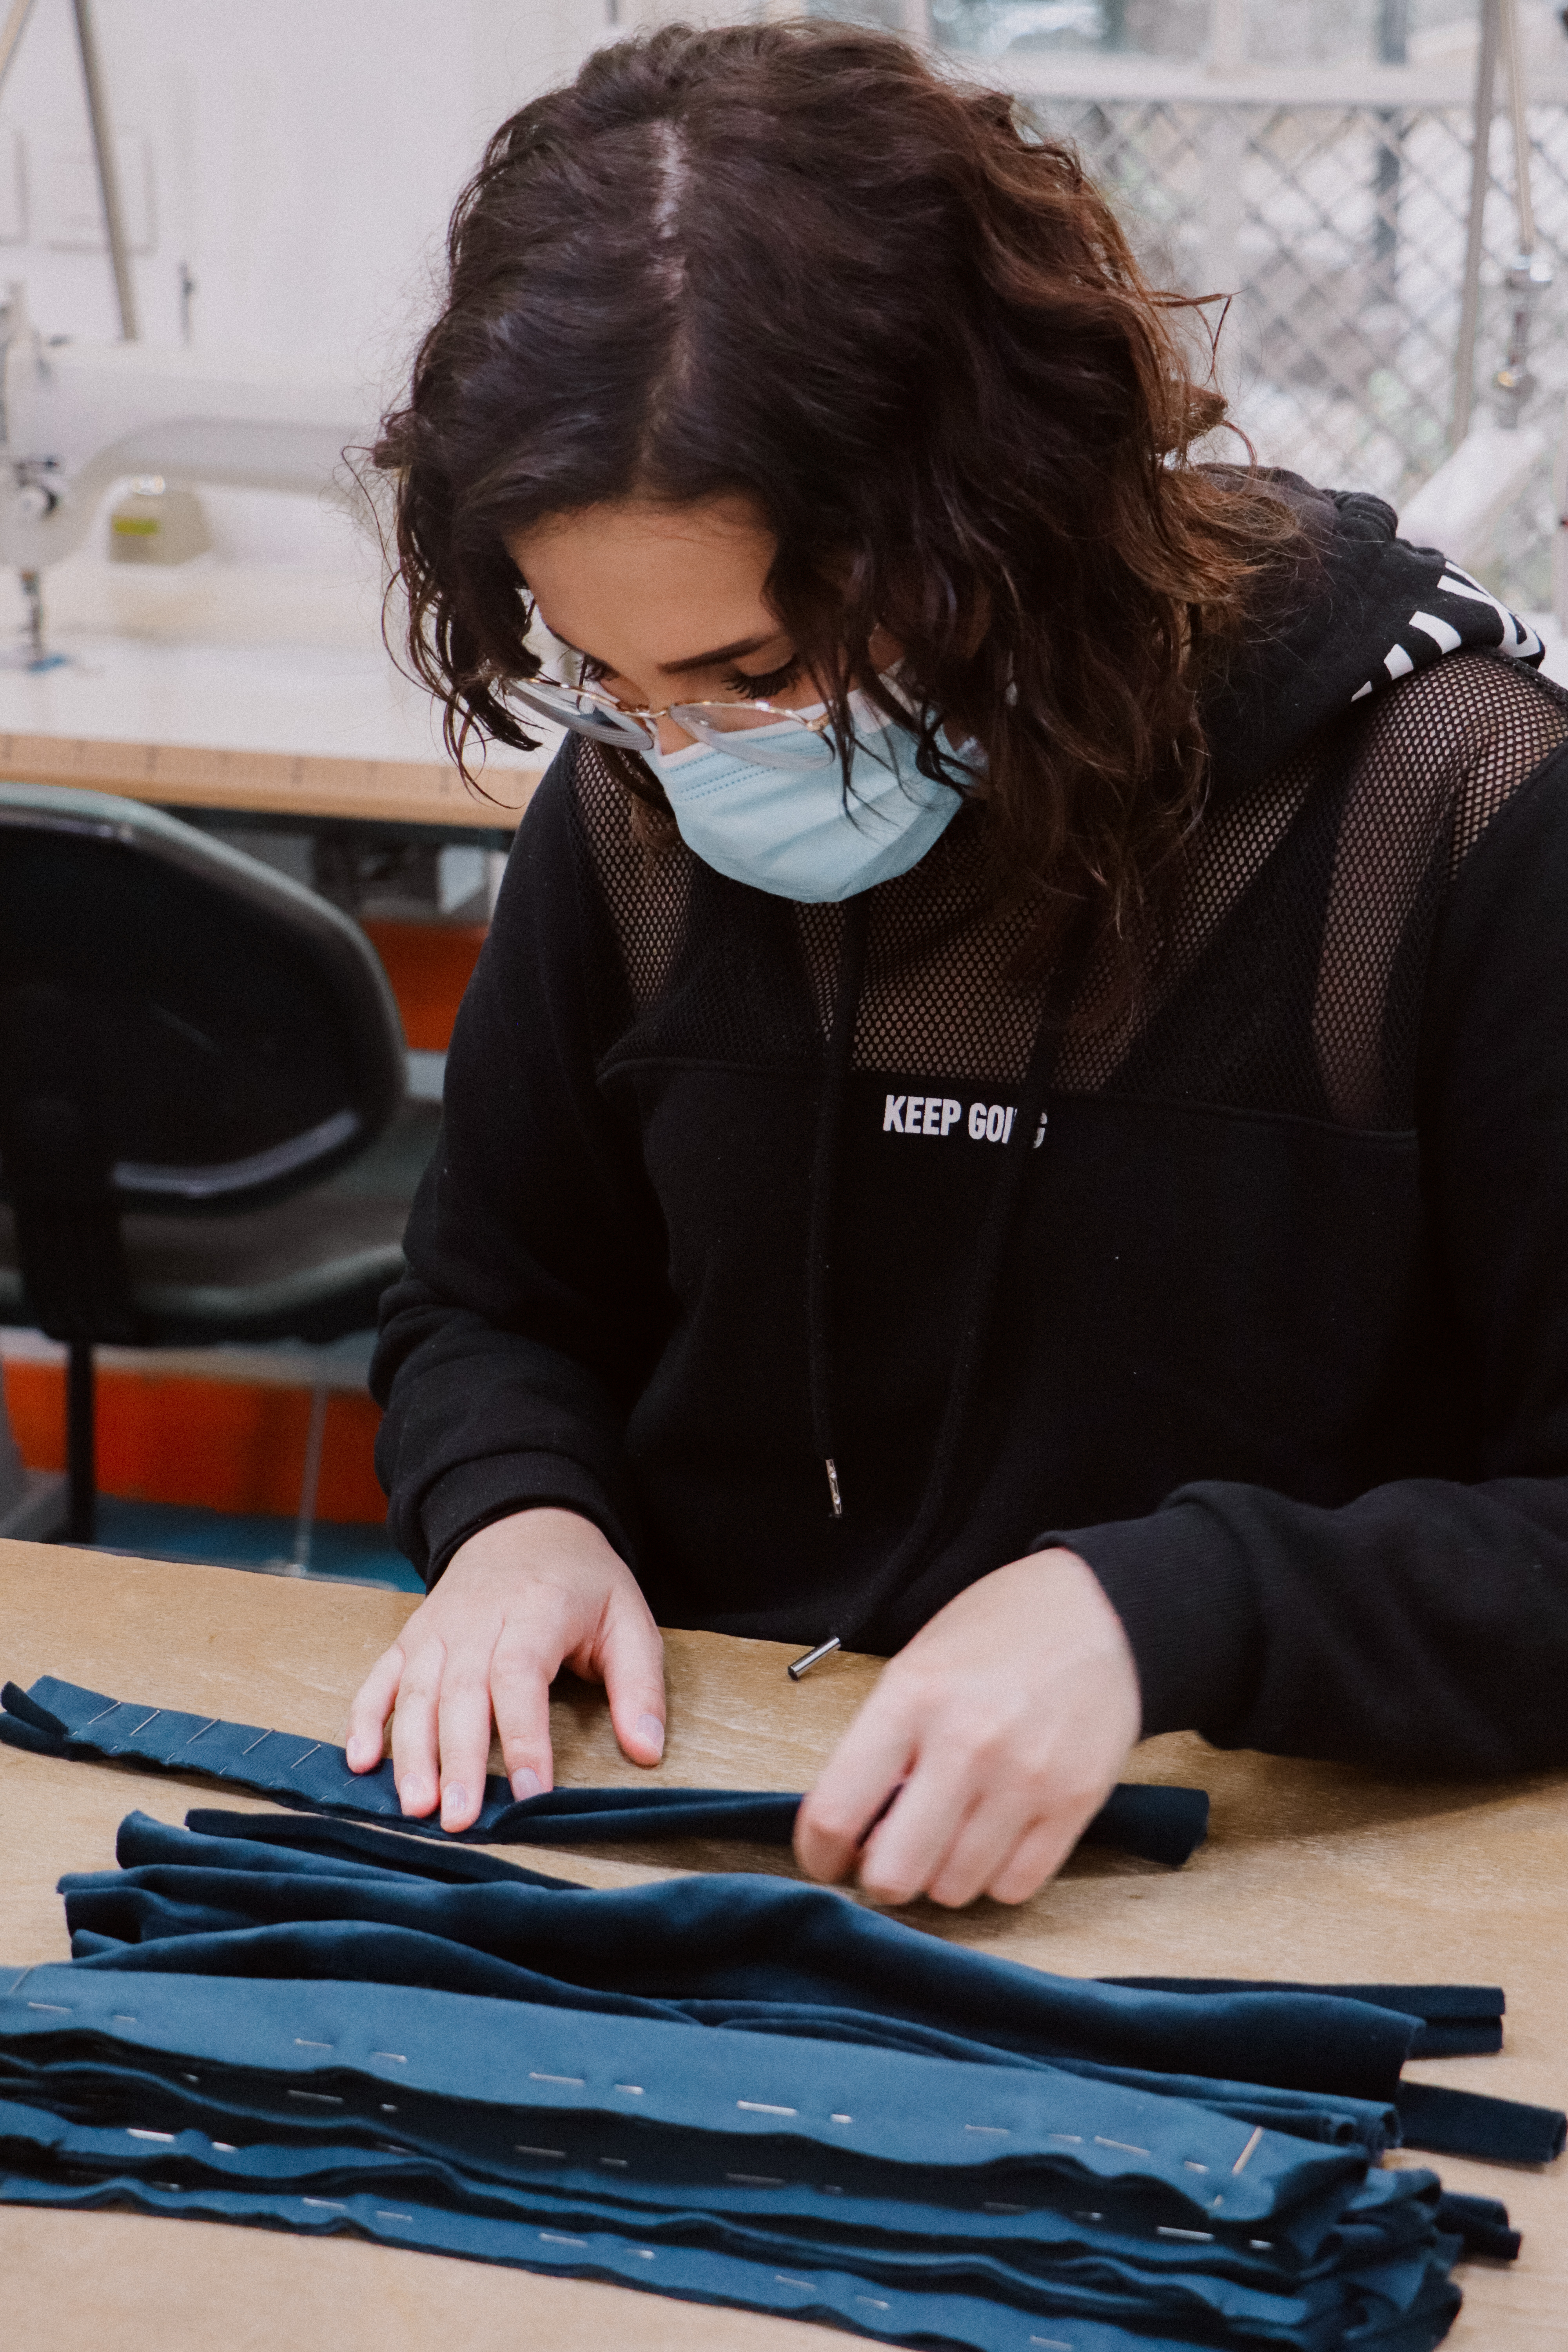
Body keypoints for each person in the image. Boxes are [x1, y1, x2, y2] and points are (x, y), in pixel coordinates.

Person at [347, 19, 1568, 1906]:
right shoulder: (636, 814)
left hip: (1261, 1876)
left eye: (761, 676)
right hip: (704, 1834)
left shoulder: (1449, 817)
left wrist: (1159, 1612)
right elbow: (491, 1305)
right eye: (611, 681)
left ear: (1010, 519)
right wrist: (518, 1518)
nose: (696, 762)